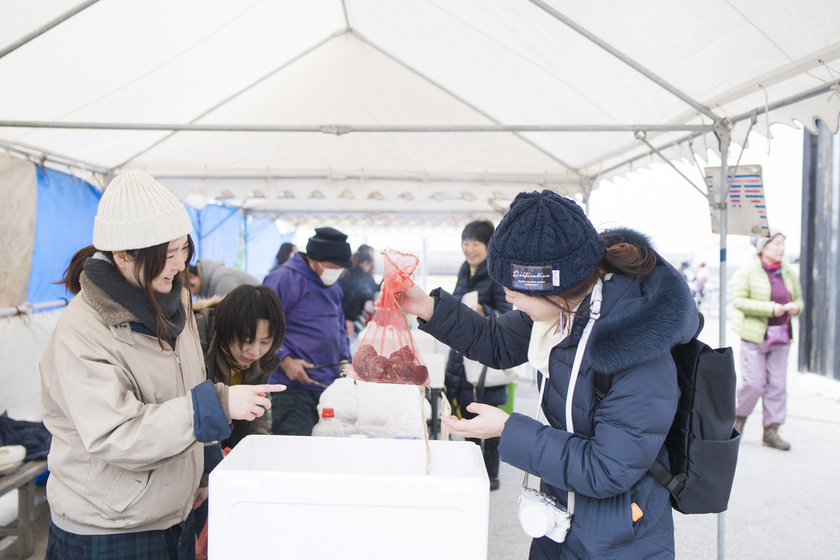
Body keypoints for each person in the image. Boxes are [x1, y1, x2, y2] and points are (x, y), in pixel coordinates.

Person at [395, 190, 698, 559]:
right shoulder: (563, 310)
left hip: (620, 535)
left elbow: (607, 469)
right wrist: (426, 306)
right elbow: (497, 341)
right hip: (559, 517)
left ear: (553, 286)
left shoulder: (637, 347)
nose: (510, 301)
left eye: (516, 293)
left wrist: (508, 429)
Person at [40, 171, 283, 559]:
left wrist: (203, 468)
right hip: (110, 527)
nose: (180, 263)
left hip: (175, 511)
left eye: (183, 249)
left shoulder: (175, 301)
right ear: (122, 256)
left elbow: (189, 384)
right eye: (167, 255)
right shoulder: (83, 330)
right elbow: (115, 433)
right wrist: (218, 404)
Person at [262, 227, 353, 436]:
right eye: (334, 266)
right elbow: (264, 328)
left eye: (342, 268)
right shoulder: (283, 279)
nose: (337, 271)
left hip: (327, 387)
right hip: (294, 389)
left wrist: (343, 360)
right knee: (296, 454)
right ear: (315, 259)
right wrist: (285, 360)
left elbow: (338, 326)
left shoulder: (333, 286)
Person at [445, 220, 512, 491]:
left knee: (492, 420)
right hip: (462, 355)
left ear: (488, 246)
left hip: (486, 360)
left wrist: (483, 310)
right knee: (468, 418)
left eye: (476, 243)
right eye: (466, 242)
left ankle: (492, 476)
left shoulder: (497, 273)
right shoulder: (465, 270)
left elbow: (509, 316)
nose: (469, 248)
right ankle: (474, 472)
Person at [731, 230, 803, 451]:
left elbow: (799, 299)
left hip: (781, 336)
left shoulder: (788, 272)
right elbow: (739, 300)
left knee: (778, 385)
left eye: (783, 244)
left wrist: (795, 308)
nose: (781, 248)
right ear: (763, 247)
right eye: (776, 244)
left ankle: (771, 431)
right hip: (755, 336)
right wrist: (771, 308)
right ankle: (738, 420)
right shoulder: (748, 270)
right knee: (753, 383)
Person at [194, 285, 286, 449]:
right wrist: (213, 453)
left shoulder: (262, 360)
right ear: (227, 326)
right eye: (246, 339)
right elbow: (190, 412)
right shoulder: (196, 341)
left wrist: (258, 444)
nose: (254, 352)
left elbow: (256, 413)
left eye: (265, 342)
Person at [339, 245, 380, 352]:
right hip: (350, 322)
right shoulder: (363, 276)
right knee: (350, 352)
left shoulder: (346, 272)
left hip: (342, 319)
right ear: (367, 262)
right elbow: (370, 295)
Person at [188, 259, 259, 298]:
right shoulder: (210, 285)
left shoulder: (221, 278)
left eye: (188, 290)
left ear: (192, 277)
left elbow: (231, 312)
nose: (191, 295)